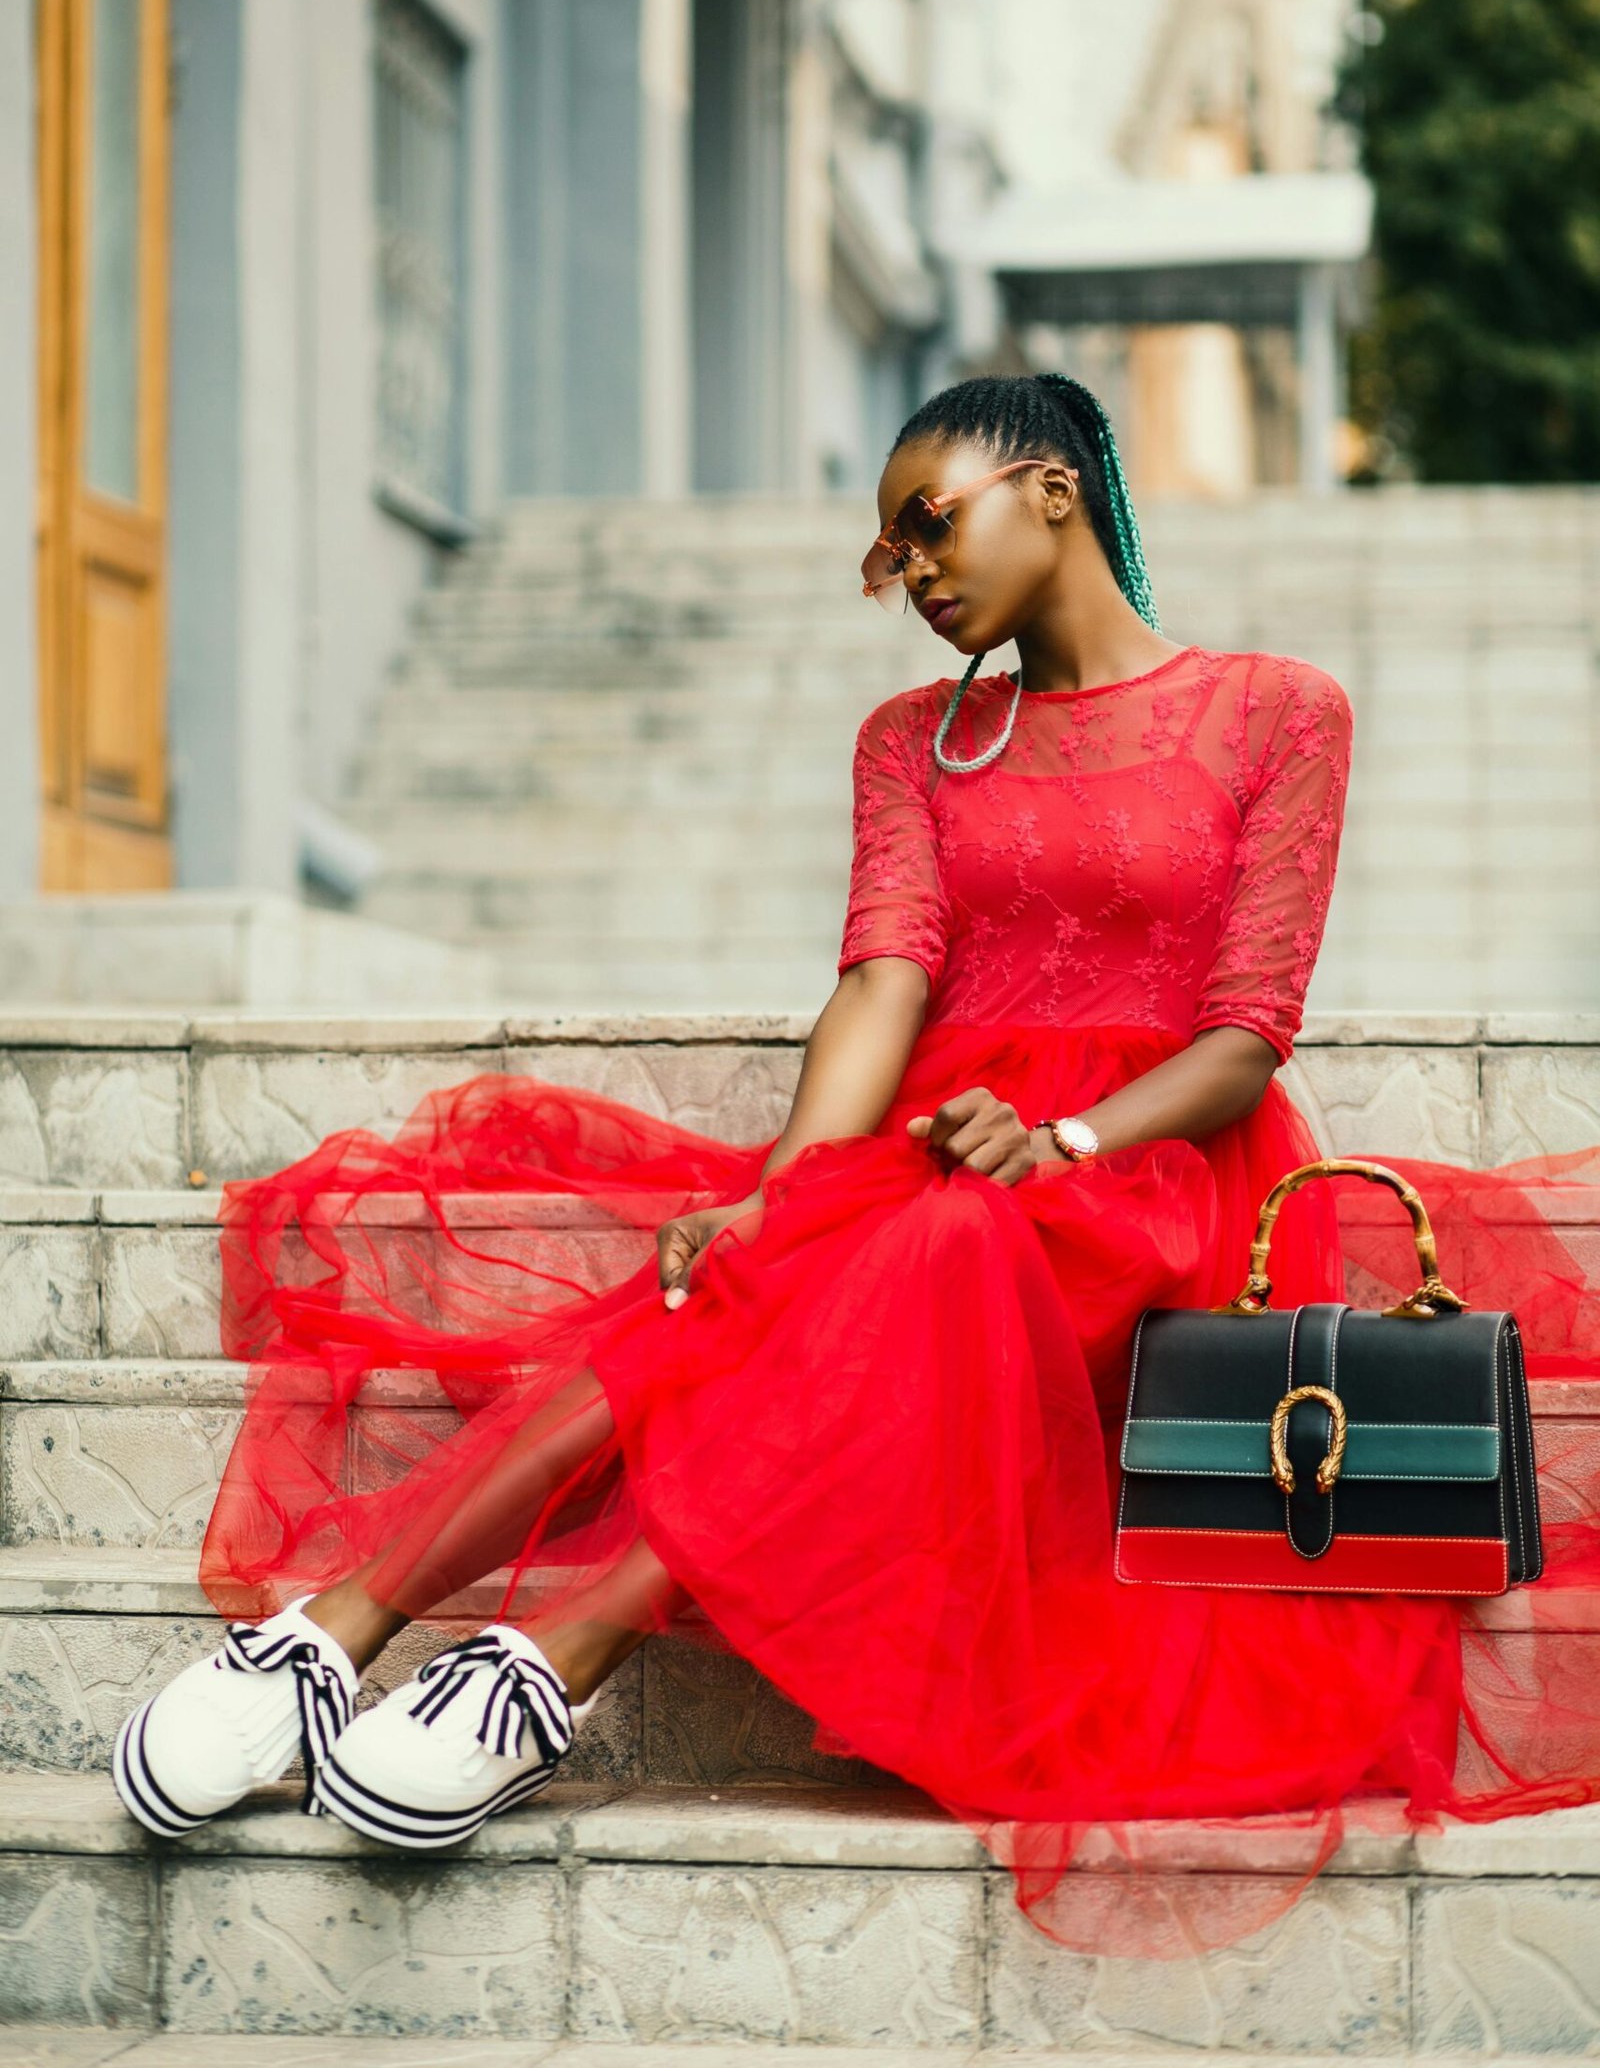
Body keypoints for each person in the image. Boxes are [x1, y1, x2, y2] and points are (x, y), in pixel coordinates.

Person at [110, 373, 1600, 1954]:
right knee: (739, 1278)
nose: (914, 574)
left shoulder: (1277, 710)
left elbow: (1250, 1030)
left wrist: (1065, 1141)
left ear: (1051, 490)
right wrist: (779, 1194)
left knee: (939, 1249)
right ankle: (335, 1633)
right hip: (931, 1152)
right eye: (891, 555)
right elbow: (886, 976)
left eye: (928, 524)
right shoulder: (914, 742)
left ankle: (554, 1652)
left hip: (1153, 1179)